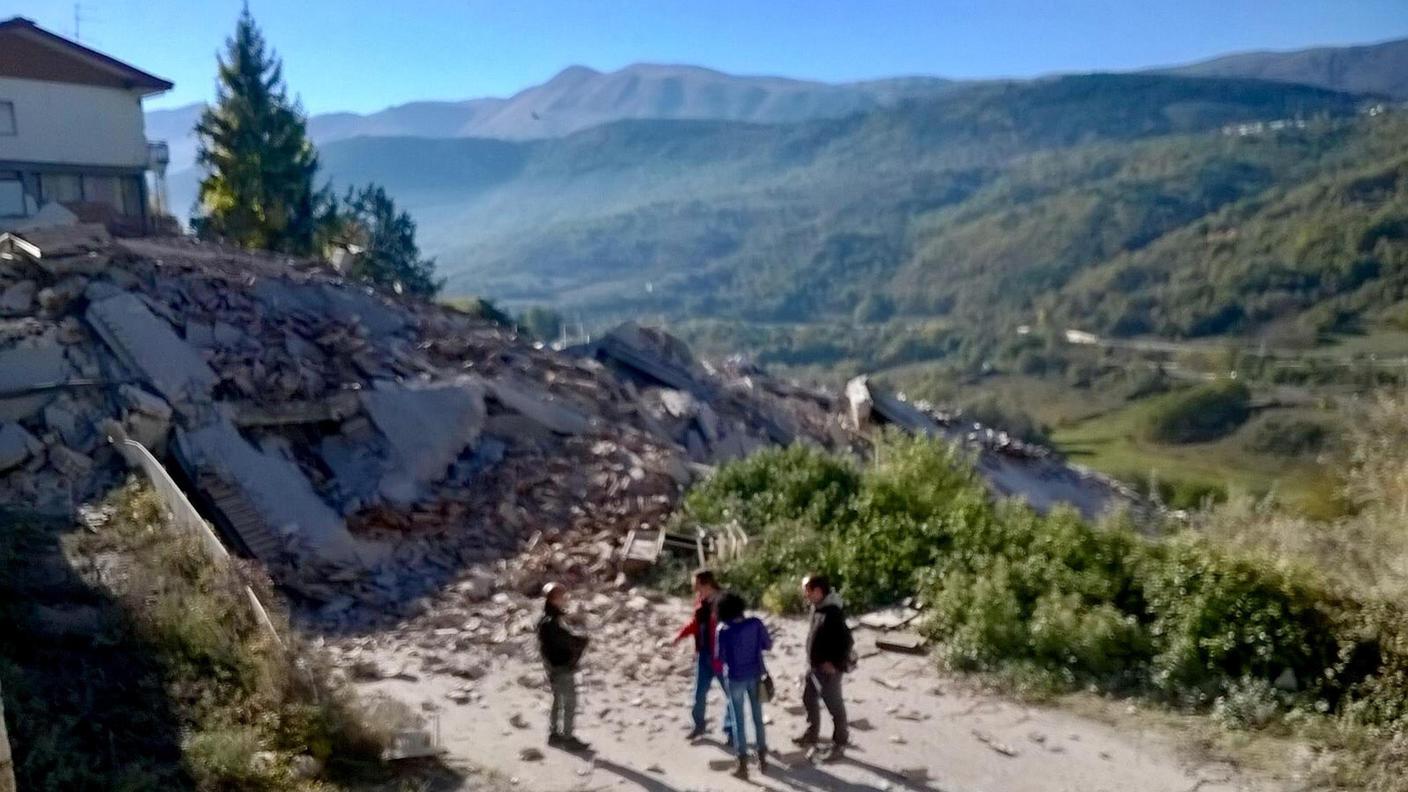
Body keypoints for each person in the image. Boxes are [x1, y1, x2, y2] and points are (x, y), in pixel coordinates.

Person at [793, 574, 853, 762]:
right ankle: (812, 735)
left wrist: (833, 663)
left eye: (807, 591)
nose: (805, 595)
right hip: (814, 666)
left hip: (829, 670)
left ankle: (840, 743)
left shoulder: (833, 613)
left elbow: (847, 642)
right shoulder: (817, 609)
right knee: (808, 698)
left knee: (834, 705)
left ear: (818, 591)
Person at [714, 592, 773, 779]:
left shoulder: (722, 629)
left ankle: (742, 764)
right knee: (757, 717)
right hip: (755, 674)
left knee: (738, 720)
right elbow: (767, 645)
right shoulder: (755, 623)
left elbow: (719, 656)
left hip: (734, 677)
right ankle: (762, 757)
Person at [672, 568, 732, 740]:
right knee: (698, 694)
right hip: (704, 653)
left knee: (731, 694)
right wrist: (680, 635)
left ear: (706, 584)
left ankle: (730, 730)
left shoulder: (724, 601)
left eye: (696, 584)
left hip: (722, 656)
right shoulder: (700, 600)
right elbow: (695, 623)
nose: (694, 587)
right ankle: (699, 726)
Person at [538, 582, 590, 752]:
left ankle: (554, 734)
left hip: (554, 667)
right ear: (554, 599)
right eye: (562, 596)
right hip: (561, 666)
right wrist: (579, 640)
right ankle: (567, 737)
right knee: (569, 702)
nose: (565, 600)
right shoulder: (551, 622)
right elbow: (562, 641)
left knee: (557, 701)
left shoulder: (548, 619)